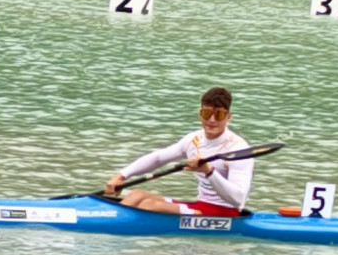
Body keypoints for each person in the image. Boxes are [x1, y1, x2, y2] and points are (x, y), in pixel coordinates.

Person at [103, 87, 253, 216]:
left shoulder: (238, 149)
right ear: (199, 114)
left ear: (228, 117)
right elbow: (158, 158)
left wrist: (209, 171)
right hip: (201, 206)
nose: (212, 120)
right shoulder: (194, 139)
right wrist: (121, 176)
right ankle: (112, 226)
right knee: (136, 195)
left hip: (225, 212)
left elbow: (238, 199)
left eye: (219, 115)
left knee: (149, 206)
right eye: (207, 114)